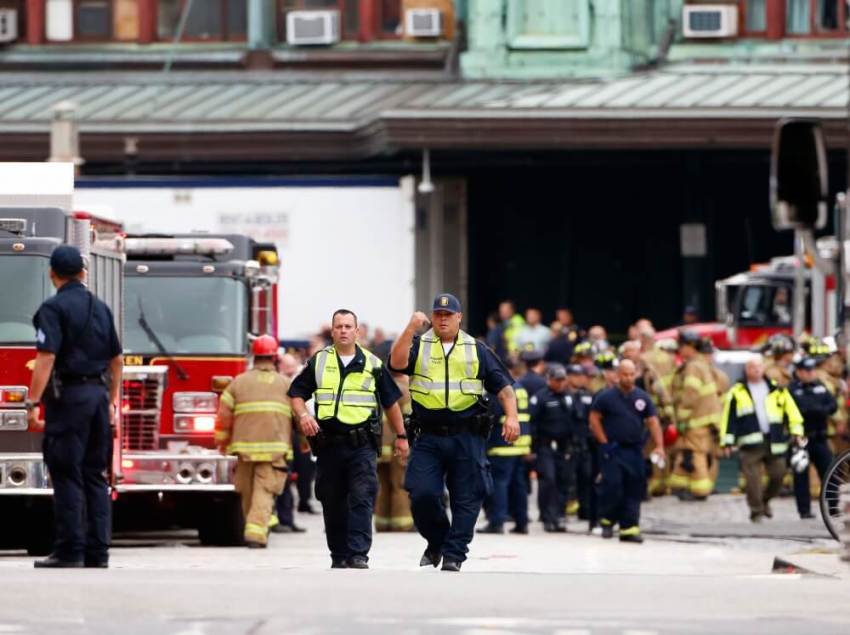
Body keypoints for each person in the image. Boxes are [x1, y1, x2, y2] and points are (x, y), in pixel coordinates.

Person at [390, 293, 518, 572]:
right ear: (433, 318)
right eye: (438, 315)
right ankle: (438, 540)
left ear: (459, 317)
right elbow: (397, 364)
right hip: (429, 436)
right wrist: (411, 328)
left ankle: (454, 554)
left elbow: (505, 387)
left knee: (468, 496)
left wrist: (512, 416)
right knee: (421, 493)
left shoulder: (477, 349)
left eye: (449, 315)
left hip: (467, 436)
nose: (443, 319)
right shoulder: (419, 345)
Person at [27, 245, 123, 568]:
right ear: (83, 272)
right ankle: (98, 552)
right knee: (95, 474)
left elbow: (46, 358)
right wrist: (110, 400)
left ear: (52, 274)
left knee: (66, 473)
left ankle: (70, 550)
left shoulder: (53, 310)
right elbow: (117, 360)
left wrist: (32, 402)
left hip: (69, 401)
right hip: (97, 397)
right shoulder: (102, 308)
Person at [289, 309, 408, 569]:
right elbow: (295, 393)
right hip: (329, 444)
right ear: (332, 331)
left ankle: (358, 554)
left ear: (357, 331)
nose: (343, 330)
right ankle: (338, 554)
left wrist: (401, 436)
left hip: (361, 445)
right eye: (339, 326)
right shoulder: (319, 361)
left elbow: (391, 404)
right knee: (331, 499)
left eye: (348, 326)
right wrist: (303, 416)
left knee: (362, 496)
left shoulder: (373, 364)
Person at [215, 335, 293, 548]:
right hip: (275, 450)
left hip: (244, 448)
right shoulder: (286, 384)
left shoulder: (237, 383)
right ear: (275, 357)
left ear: (254, 356)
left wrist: (221, 442)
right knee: (264, 490)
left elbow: (223, 416)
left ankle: (255, 526)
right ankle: (257, 533)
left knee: (248, 490)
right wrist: (305, 442)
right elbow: (300, 416)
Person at [720, 356, 803, 522]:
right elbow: (728, 418)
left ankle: (765, 500)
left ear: (763, 368)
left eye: (759, 367)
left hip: (774, 441)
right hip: (750, 443)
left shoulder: (776, 389)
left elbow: (792, 412)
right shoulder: (737, 391)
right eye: (752, 367)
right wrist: (727, 441)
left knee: (779, 474)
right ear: (746, 370)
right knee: (752, 481)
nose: (756, 370)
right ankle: (756, 511)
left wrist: (797, 432)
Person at [589, 359, 664, 543]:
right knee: (613, 487)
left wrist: (659, 446)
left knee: (634, 489)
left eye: (631, 374)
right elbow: (594, 418)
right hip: (613, 450)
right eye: (625, 374)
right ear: (617, 374)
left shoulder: (642, 397)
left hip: (634, 450)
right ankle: (607, 521)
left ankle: (629, 528)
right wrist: (604, 442)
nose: (628, 378)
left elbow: (653, 421)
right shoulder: (606, 397)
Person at [479, 361, 532, 534]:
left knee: (499, 484)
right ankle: (521, 522)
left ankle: (497, 522)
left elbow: (492, 418)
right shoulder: (520, 387)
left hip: (501, 444)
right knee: (519, 485)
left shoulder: (499, 389)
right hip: (519, 445)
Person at [669, 330, 722, 501]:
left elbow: (690, 394)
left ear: (690, 346)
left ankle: (700, 491)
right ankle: (680, 486)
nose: (679, 350)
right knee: (687, 453)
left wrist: (682, 418)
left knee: (695, 453)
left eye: (681, 346)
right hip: (705, 419)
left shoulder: (693, 366)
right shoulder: (701, 364)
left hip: (696, 420)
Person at [789, 357, 837, 519]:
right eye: (807, 371)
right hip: (801, 439)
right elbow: (797, 410)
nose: (811, 374)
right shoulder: (792, 389)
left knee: (830, 473)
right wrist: (816, 409)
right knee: (801, 476)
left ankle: (834, 508)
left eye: (812, 370)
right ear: (799, 372)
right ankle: (804, 511)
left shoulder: (820, 387)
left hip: (820, 438)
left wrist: (816, 409)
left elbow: (832, 405)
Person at [529, 364, 573, 533]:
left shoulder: (568, 397)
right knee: (549, 480)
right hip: (545, 446)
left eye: (563, 380)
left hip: (564, 447)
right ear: (549, 380)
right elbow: (532, 423)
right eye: (557, 380)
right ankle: (548, 517)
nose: (561, 383)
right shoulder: (540, 397)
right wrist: (532, 448)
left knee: (563, 481)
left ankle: (559, 516)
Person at [271, 352, 308, 534]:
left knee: (287, 481)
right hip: (280, 440)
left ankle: (286, 520)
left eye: (292, 367)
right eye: (288, 367)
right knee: (279, 483)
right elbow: (298, 414)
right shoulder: (284, 384)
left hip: (287, 439)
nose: (291, 370)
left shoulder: (288, 383)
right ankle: (280, 520)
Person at [374, 372, 414, 532]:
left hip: (379, 445)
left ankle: (382, 523)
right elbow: (408, 419)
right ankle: (402, 523)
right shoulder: (404, 390)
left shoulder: (377, 387)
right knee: (400, 484)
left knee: (384, 486)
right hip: (396, 446)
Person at [566, 364, 594, 526]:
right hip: (569, 442)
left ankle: (585, 510)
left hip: (584, 442)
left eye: (581, 375)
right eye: (575, 375)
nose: (579, 379)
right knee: (568, 479)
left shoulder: (587, 395)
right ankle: (564, 508)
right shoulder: (563, 395)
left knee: (586, 478)